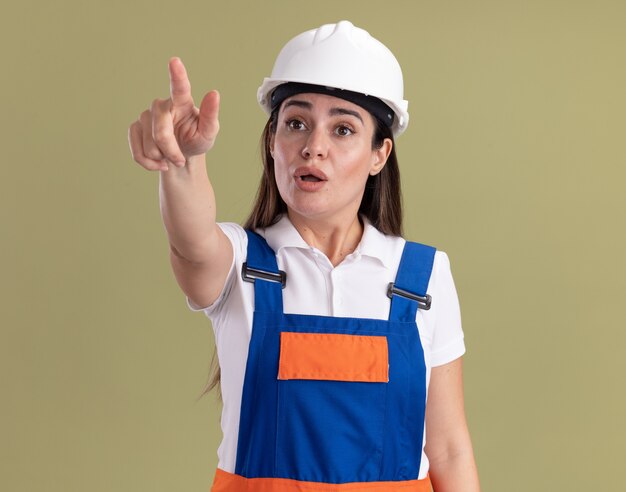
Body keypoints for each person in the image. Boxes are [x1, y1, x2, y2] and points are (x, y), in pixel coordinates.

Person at [128, 20, 480, 492]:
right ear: (273, 141)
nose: (314, 147)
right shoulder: (240, 266)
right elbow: (191, 243)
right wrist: (183, 161)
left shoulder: (423, 277)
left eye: (342, 129)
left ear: (380, 154)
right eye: (296, 123)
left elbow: (450, 448)